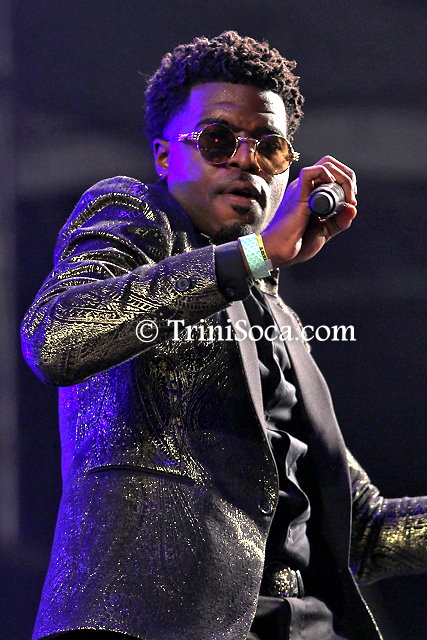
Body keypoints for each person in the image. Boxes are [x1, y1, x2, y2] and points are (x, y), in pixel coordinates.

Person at [21, 31, 426, 640]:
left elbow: (361, 530)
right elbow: (57, 337)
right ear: (165, 156)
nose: (245, 159)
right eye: (217, 140)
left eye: (269, 146)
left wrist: (256, 267)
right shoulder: (137, 216)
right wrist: (255, 255)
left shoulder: (279, 320)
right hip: (157, 623)